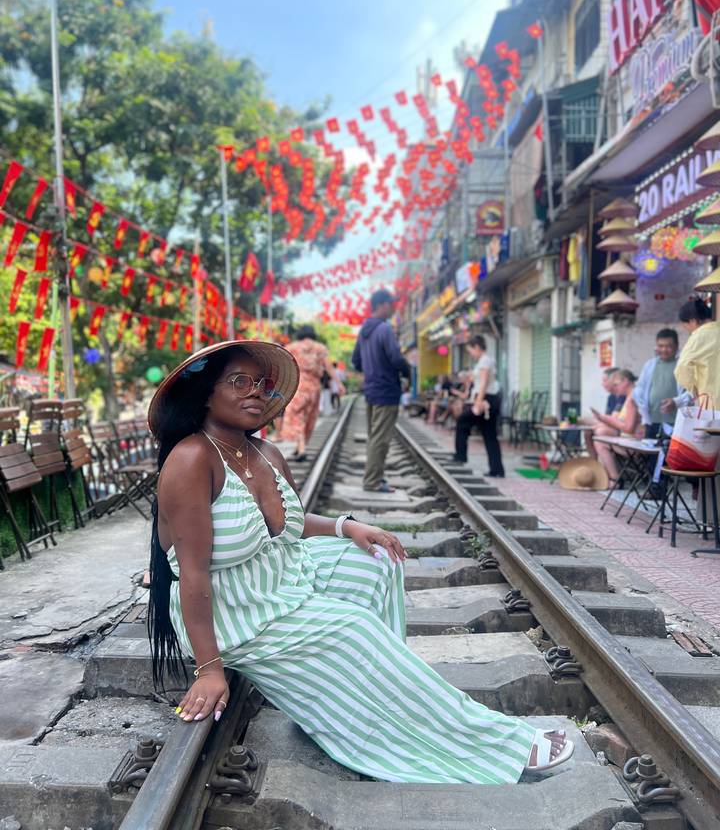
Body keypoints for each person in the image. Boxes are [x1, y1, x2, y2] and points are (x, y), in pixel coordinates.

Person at [147, 339, 572, 783]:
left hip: (283, 577)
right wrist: (209, 670)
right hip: (239, 611)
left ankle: (370, 698)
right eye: (239, 381)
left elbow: (284, 523)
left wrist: (346, 527)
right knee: (354, 627)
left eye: (262, 383)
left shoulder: (262, 453)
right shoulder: (192, 459)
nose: (255, 391)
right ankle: (495, 741)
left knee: (377, 562)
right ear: (205, 392)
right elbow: (193, 573)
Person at [352, 290, 411, 493]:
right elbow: (395, 358)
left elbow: (356, 361)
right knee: (381, 439)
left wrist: (371, 370)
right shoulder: (385, 329)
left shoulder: (365, 331)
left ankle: (375, 476)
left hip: (371, 390)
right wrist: (408, 371)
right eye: (391, 304)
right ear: (382, 305)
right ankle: (372, 481)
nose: (394, 307)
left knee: (374, 436)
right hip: (386, 390)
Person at [453, 336, 505, 477]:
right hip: (489, 399)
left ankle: (460, 456)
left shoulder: (485, 361)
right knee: (489, 435)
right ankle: (497, 470)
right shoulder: (485, 361)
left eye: (470, 350)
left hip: (485, 400)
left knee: (462, 421)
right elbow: (479, 380)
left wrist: (478, 403)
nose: (471, 354)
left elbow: (483, 383)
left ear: (476, 347)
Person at [281, 325, 332, 462]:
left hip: (299, 385)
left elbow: (283, 363)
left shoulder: (293, 347)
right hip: (314, 387)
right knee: (309, 417)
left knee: (296, 416)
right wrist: (338, 384)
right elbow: (328, 367)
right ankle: (299, 448)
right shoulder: (320, 348)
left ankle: (301, 448)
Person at [634, 329, 692, 438]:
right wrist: (641, 407)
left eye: (668, 346)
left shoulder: (683, 365)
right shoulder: (649, 365)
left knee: (671, 455)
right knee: (649, 454)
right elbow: (639, 387)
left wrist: (676, 402)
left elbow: (692, 393)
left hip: (676, 423)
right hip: (652, 423)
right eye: (660, 346)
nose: (664, 349)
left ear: (676, 346)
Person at [590, 369, 641, 483]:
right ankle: (610, 475)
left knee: (599, 441)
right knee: (600, 435)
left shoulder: (632, 399)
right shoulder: (631, 396)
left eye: (616, 385)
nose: (614, 388)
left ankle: (615, 479)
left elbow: (629, 428)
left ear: (625, 381)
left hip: (635, 445)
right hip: (632, 440)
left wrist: (604, 419)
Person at [675, 298, 720, 402]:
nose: (688, 330)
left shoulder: (697, 337)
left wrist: (692, 387)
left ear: (693, 321)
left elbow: (682, 367)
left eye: (686, 326)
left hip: (711, 401)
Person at [583, 367, 624, 458]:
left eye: (605, 381)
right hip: (612, 425)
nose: (602, 384)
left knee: (597, 430)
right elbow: (607, 418)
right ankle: (593, 461)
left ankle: (599, 462)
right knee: (587, 429)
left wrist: (599, 422)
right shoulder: (611, 397)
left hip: (621, 429)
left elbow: (613, 420)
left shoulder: (623, 395)